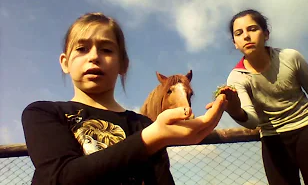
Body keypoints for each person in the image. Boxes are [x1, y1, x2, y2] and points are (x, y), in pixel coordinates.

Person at [21, 12, 227, 185]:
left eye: (106, 49)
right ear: (65, 62)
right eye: (82, 48)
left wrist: (157, 136)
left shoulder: (143, 125)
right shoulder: (42, 114)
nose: (94, 56)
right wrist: (152, 138)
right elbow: (58, 178)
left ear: (123, 64)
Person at [217, 9, 308, 185]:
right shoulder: (236, 77)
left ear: (266, 34)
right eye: (239, 33)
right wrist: (235, 110)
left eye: (252, 29)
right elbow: (252, 121)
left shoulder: (290, 57)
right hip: (272, 139)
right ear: (235, 43)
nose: (246, 36)